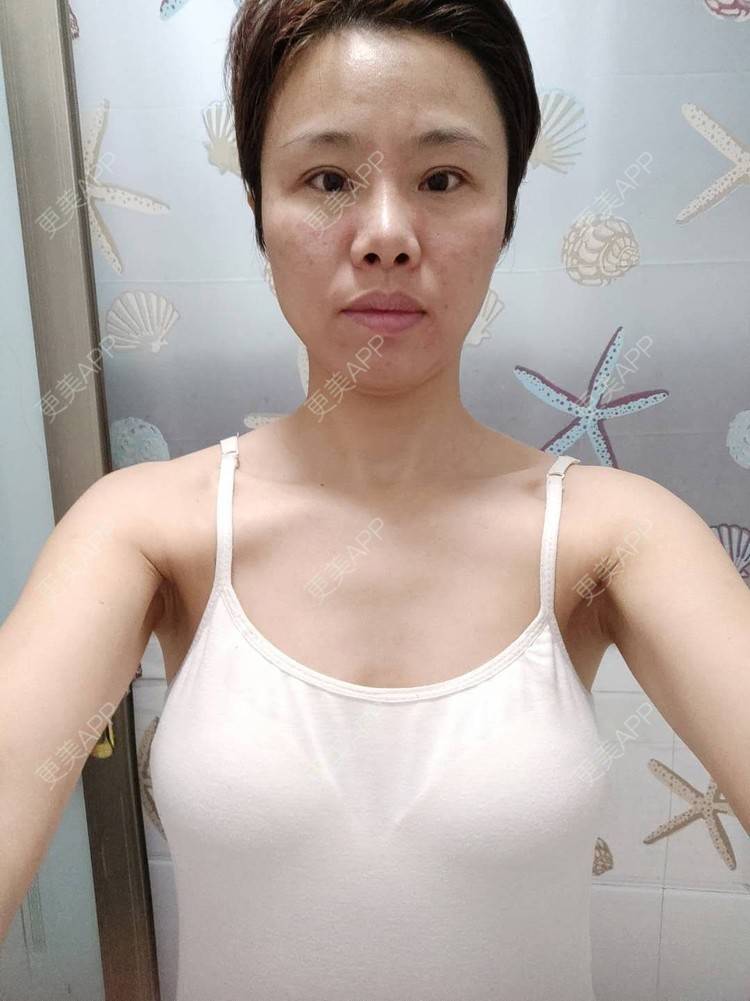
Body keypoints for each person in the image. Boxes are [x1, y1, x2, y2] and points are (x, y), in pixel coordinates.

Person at [2, 1, 749, 997]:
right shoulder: (139, 528)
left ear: (506, 211)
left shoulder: (619, 534)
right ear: (260, 212)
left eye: (443, 179)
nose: (388, 235)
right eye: (326, 179)